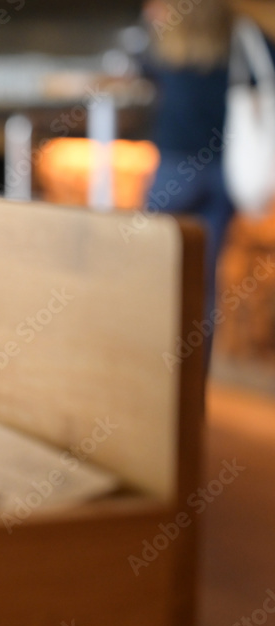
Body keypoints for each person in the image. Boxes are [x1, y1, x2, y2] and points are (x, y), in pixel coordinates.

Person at [142, 0, 235, 370]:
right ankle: (194, 385)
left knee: (150, 271)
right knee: (204, 285)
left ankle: (151, 377)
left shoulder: (166, 43)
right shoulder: (242, 40)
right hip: (223, 173)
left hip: (175, 171)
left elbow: (139, 74)